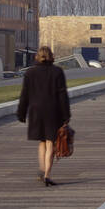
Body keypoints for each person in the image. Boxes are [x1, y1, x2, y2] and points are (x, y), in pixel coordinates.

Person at [16, 45, 70, 186]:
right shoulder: (57, 72)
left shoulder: (30, 73)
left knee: (42, 142)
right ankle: (47, 175)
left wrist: (21, 112)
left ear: (37, 56)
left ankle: (42, 168)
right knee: (50, 142)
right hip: (53, 111)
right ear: (51, 56)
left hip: (36, 111)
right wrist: (66, 115)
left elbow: (25, 95)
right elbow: (62, 95)